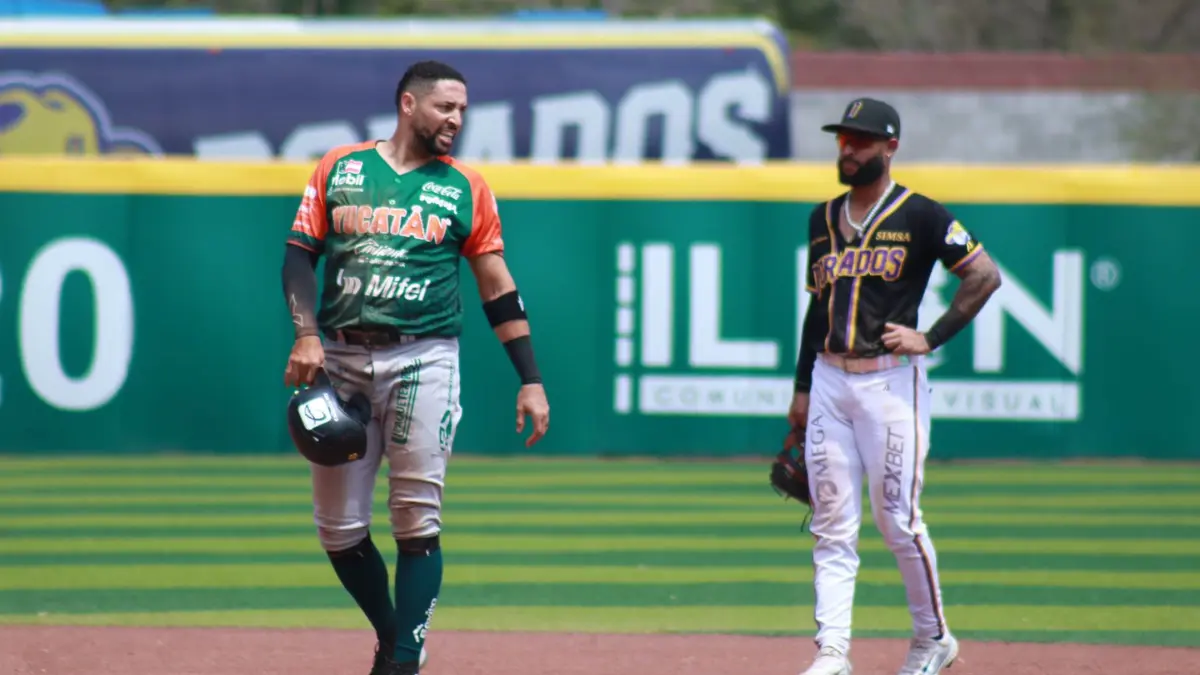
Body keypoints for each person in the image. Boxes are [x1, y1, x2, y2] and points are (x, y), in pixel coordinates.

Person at [280, 60, 551, 675]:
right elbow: (298, 259)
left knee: (416, 515)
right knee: (339, 529)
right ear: (409, 104)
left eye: (462, 110)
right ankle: (395, 636)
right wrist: (306, 334)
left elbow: (497, 287)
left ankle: (402, 663)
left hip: (422, 357)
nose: (456, 119)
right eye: (444, 107)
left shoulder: (464, 186)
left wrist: (529, 377)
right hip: (341, 358)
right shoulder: (340, 167)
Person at [786, 97, 1002, 675]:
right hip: (831, 378)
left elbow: (984, 276)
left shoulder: (923, 215)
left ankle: (933, 639)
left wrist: (931, 337)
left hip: (889, 384)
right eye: (843, 139)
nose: (849, 149)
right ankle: (833, 652)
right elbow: (817, 309)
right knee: (832, 522)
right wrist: (803, 387)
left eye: (860, 140)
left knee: (898, 519)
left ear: (890, 147)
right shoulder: (823, 218)